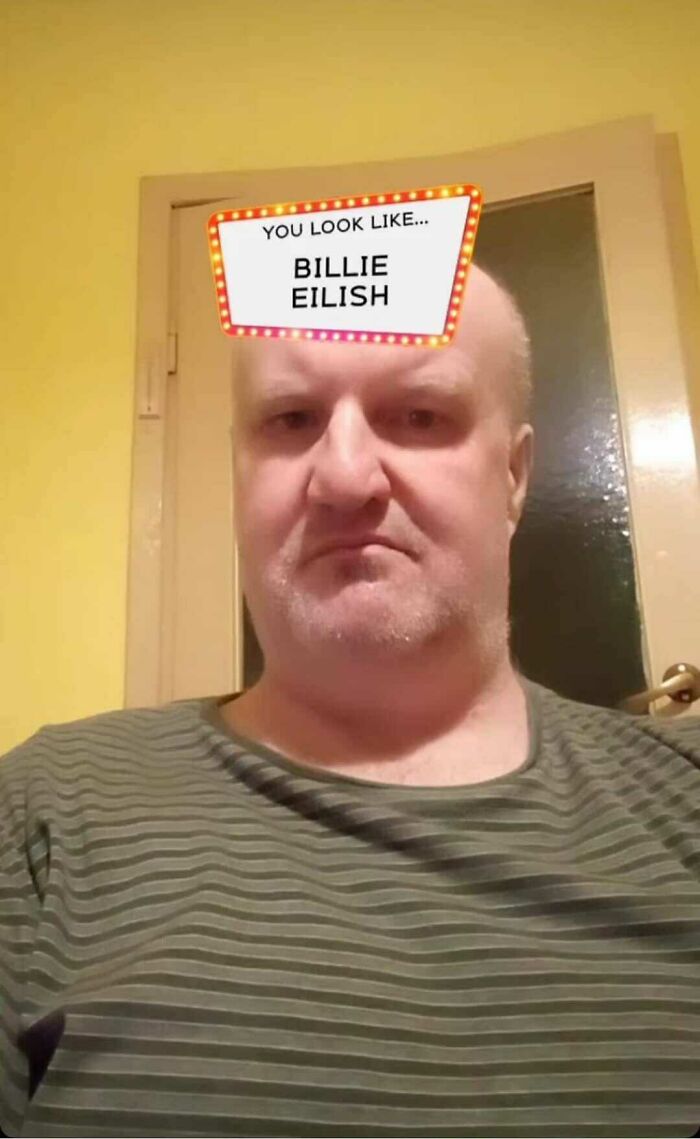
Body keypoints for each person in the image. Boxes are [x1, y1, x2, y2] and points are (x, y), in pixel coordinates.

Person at [1, 266, 699, 1139]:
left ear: (514, 475)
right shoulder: (45, 812)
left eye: (419, 414)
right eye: (292, 419)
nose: (343, 476)